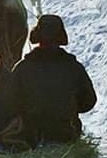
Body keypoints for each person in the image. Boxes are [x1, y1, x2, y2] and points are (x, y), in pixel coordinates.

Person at [11, 14, 96, 145]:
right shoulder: (73, 67)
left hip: (32, 137)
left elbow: (11, 101)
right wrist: (69, 108)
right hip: (67, 134)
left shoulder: (22, 68)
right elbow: (89, 100)